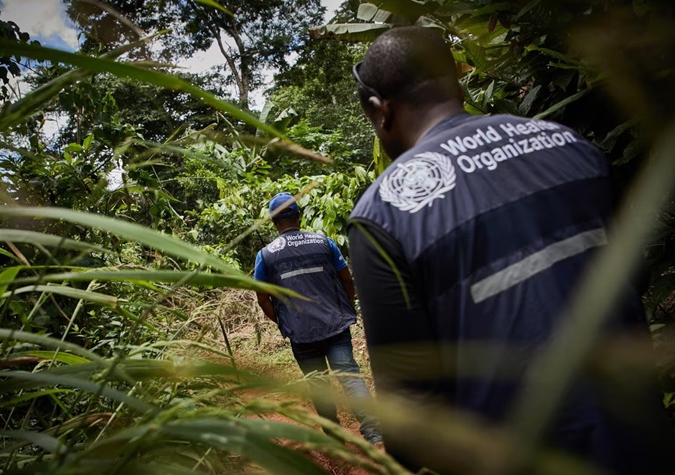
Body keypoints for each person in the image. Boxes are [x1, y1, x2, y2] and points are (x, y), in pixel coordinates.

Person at [347, 26, 672, 474]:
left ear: (379, 110)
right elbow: (634, 282)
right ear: (456, 84)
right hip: (643, 442)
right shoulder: (571, 146)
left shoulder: (383, 213)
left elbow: (411, 421)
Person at [253, 192, 382, 445]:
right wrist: (344, 309)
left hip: (301, 333)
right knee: (348, 374)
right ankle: (374, 433)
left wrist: (284, 322)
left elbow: (263, 299)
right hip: (336, 324)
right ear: (298, 216)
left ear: (274, 221)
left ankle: (334, 440)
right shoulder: (324, 242)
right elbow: (347, 280)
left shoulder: (265, 255)